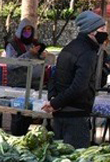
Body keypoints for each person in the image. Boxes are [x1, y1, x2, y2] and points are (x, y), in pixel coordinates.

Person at [44, 11, 106, 149]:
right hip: (76, 117)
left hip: (60, 115)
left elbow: (54, 76)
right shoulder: (87, 53)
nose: (105, 32)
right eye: (102, 29)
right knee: (74, 157)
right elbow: (80, 86)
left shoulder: (69, 48)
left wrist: (53, 100)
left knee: (58, 155)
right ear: (91, 31)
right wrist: (55, 103)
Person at [5, 18, 46, 88]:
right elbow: (10, 65)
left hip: (35, 84)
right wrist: (29, 54)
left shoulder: (34, 44)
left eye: (29, 29)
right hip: (18, 85)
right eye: (24, 29)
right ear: (20, 30)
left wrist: (41, 56)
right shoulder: (12, 45)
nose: (27, 31)